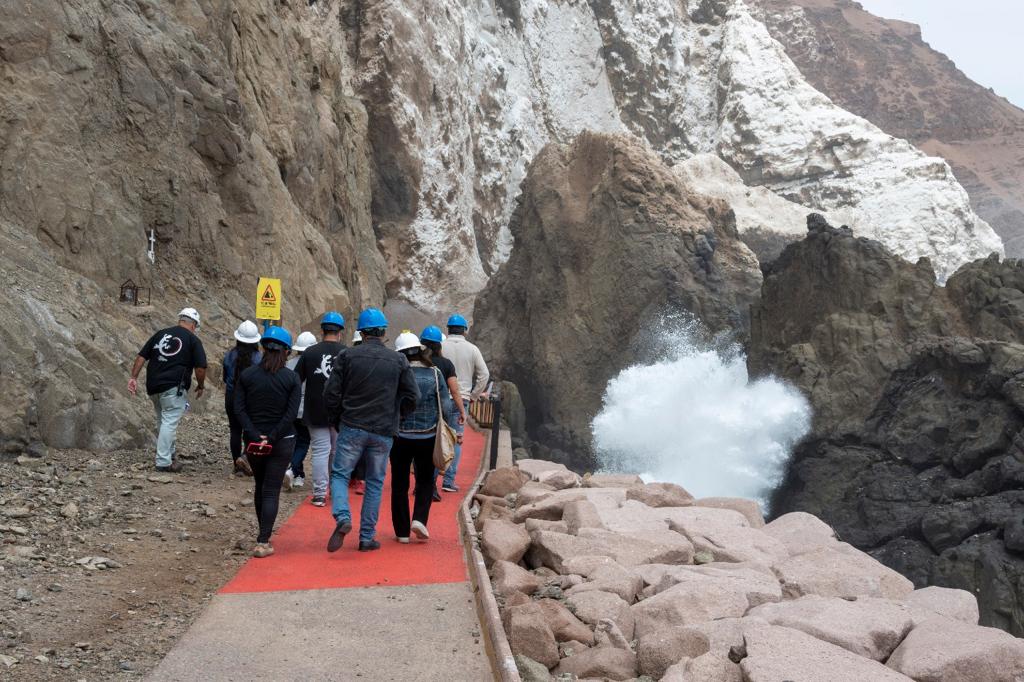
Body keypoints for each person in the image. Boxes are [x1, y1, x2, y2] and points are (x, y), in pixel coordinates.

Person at [323, 308, 418, 552]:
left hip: (352, 425)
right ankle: (366, 538)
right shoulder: (398, 360)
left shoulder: (347, 356)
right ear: (383, 332)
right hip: (383, 431)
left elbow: (330, 393)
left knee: (341, 475)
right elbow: (412, 395)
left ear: (362, 333)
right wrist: (397, 416)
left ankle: (343, 517)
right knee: (375, 483)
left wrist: (337, 420)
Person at [233, 326, 301, 558]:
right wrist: (272, 437)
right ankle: (263, 540)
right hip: (282, 441)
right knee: (272, 490)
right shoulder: (291, 378)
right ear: (286, 352)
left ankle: (262, 535)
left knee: (260, 487)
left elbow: (239, 408)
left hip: (253, 441)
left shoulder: (248, 375)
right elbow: (291, 414)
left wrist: (254, 434)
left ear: (263, 347)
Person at [390, 332, 457, 543]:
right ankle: (419, 519)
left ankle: (401, 533)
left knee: (399, 484)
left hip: (399, 437)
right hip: (427, 436)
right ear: (419, 350)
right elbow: (445, 405)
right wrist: (445, 424)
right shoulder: (435, 373)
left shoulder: (396, 373)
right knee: (426, 480)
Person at [129, 307, 208, 472]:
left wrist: (133, 378)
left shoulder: (161, 334)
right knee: (169, 422)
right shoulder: (193, 340)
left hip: (153, 386)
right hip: (173, 386)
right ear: (194, 325)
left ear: (180, 320)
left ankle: (169, 454)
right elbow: (200, 367)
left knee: (162, 421)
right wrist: (200, 385)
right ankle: (164, 461)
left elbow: (141, 356)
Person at [295, 312, 347, 507]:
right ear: (340, 332)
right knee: (336, 451)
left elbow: (296, 379)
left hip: (314, 409)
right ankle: (336, 489)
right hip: (339, 411)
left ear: (322, 330)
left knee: (320, 451)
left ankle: (318, 494)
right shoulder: (346, 352)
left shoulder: (310, 353)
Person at [440, 313, 489, 492]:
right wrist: (474, 395)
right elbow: (484, 375)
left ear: (448, 329)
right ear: (465, 331)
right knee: (456, 440)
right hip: (462, 400)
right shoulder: (473, 349)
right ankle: (448, 481)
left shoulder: (440, 346)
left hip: (440, 398)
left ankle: (429, 482)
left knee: (435, 437)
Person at [421, 325, 466, 501]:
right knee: (436, 449)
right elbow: (454, 391)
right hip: (439, 413)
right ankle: (431, 485)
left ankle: (420, 484)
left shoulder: (415, 361)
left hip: (417, 412)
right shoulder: (446, 364)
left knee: (419, 450)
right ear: (440, 345)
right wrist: (462, 411)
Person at [223, 320, 262, 475]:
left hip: (232, 396)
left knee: (235, 430)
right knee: (250, 429)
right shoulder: (258, 358)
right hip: (251, 398)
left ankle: (236, 462)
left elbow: (226, 377)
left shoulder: (229, 355)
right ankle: (246, 458)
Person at [283, 331, 317, 490]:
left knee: (292, 441)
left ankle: (298, 474)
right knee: (303, 443)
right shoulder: (315, 364)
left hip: (290, 409)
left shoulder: (289, 364)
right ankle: (292, 469)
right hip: (307, 410)